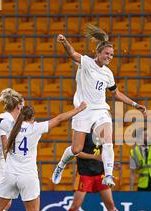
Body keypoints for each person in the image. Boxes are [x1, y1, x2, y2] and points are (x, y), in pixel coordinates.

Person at [51, 24, 146, 188]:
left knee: (108, 140)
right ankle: (61, 165)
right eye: (107, 53)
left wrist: (135, 104)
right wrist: (65, 42)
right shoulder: (86, 62)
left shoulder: (108, 73)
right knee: (76, 149)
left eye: (112, 55)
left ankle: (108, 175)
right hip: (83, 110)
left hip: (101, 110)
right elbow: (73, 54)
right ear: (98, 52)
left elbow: (115, 93)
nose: (109, 57)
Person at [57, 132, 127, 211]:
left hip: (100, 174)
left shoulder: (103, 134)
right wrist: (95, 157)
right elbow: (76, 153)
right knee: (76, 205)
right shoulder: (82, 133)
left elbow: (105, 153)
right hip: (85, 174)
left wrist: (111, 164)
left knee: (110, 204)